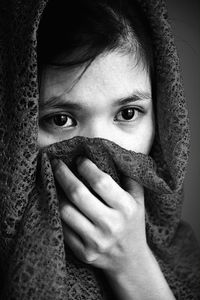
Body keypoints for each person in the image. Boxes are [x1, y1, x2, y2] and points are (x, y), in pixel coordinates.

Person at [0, 0, 199, 299]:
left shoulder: (185, 259)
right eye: (61, 119)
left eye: (128, 113)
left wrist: (132, 265)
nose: (98, 153)